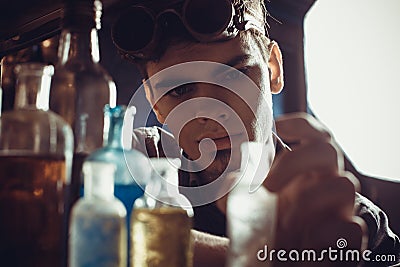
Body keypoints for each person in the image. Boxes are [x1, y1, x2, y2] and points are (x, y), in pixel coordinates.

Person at [111, 0, 400, 266]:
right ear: (153, 101)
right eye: (179, 90)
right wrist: (269, 255)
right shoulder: (136, 165)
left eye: (233, 76)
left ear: (273, 69)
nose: (211, 112)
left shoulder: (354, 223)